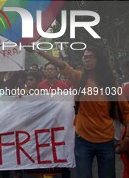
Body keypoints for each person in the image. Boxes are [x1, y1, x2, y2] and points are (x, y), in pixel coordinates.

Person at [35, 46, 129, 178]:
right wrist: (40, 52)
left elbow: (126, 113)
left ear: (99, 60)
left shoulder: (111, 85)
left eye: (91, 57)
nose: (87, 60)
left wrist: (127, 138)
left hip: (106, 141)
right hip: (82, 140)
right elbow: (63, 65)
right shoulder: (79, 78)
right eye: (85, 57)